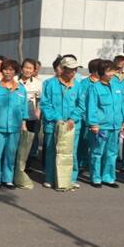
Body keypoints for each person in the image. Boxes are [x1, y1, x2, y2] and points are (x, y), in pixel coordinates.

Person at [0, 59, 29, 189]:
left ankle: (8, 179)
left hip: (15, 128)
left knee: (11, 154)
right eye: (5, 69)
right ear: (1, 71)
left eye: (11, 70)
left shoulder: (21, 89)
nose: (8, 72)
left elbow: (24, 109)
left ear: (15, 72)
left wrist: (24, 123)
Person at [86, 60, 124, 188]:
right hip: (101, 126)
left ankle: (108, 177)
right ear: (102, 72)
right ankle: (96, 178)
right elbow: (92, 107)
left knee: (112, 153)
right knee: (97, 152)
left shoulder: (118, 86)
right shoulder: (94, 87)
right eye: (109, 71)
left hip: (115, 126)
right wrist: (93, 123)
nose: (112, 74)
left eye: (113, 71)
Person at [39, 57, 82, 189]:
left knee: (71, 152)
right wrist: (57, 118)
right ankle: (50, 178)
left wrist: (72, 118)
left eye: (75, 70)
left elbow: (81, 105)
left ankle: (70, 178)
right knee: (52, 151)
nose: (73, 73)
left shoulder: (78, 85)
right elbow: (45, 104)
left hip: (71, 125)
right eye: (70, 70)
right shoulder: (50, 84)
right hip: (53, 125)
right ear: (63, 69)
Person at [76, 58, 101, 171]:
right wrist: (87, 119)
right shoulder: (84, 84)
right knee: (83, 144)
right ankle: (81, 164)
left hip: (101, 120)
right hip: (85, 120)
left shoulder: (104, 83)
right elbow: (81, 103)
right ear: (95, 70)